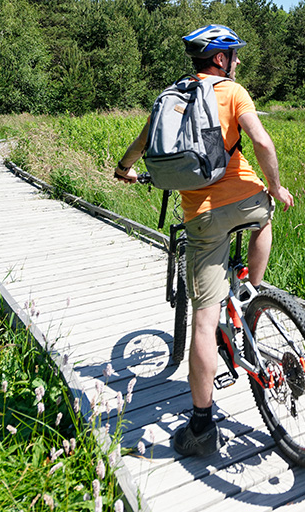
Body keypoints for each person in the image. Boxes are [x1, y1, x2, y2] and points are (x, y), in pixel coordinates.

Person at [113, 24, 294, 456]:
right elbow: (261, 140)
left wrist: (124, 170)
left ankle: (200, 428)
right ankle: (252, 295)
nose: (237, 61)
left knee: (204, 322)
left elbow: (142, 144)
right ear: (219, 59)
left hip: (203, 216)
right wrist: (275, 186)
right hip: (248, 200)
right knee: (264, 217)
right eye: (234, 54)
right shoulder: (233, 92)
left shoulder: (170, 98)